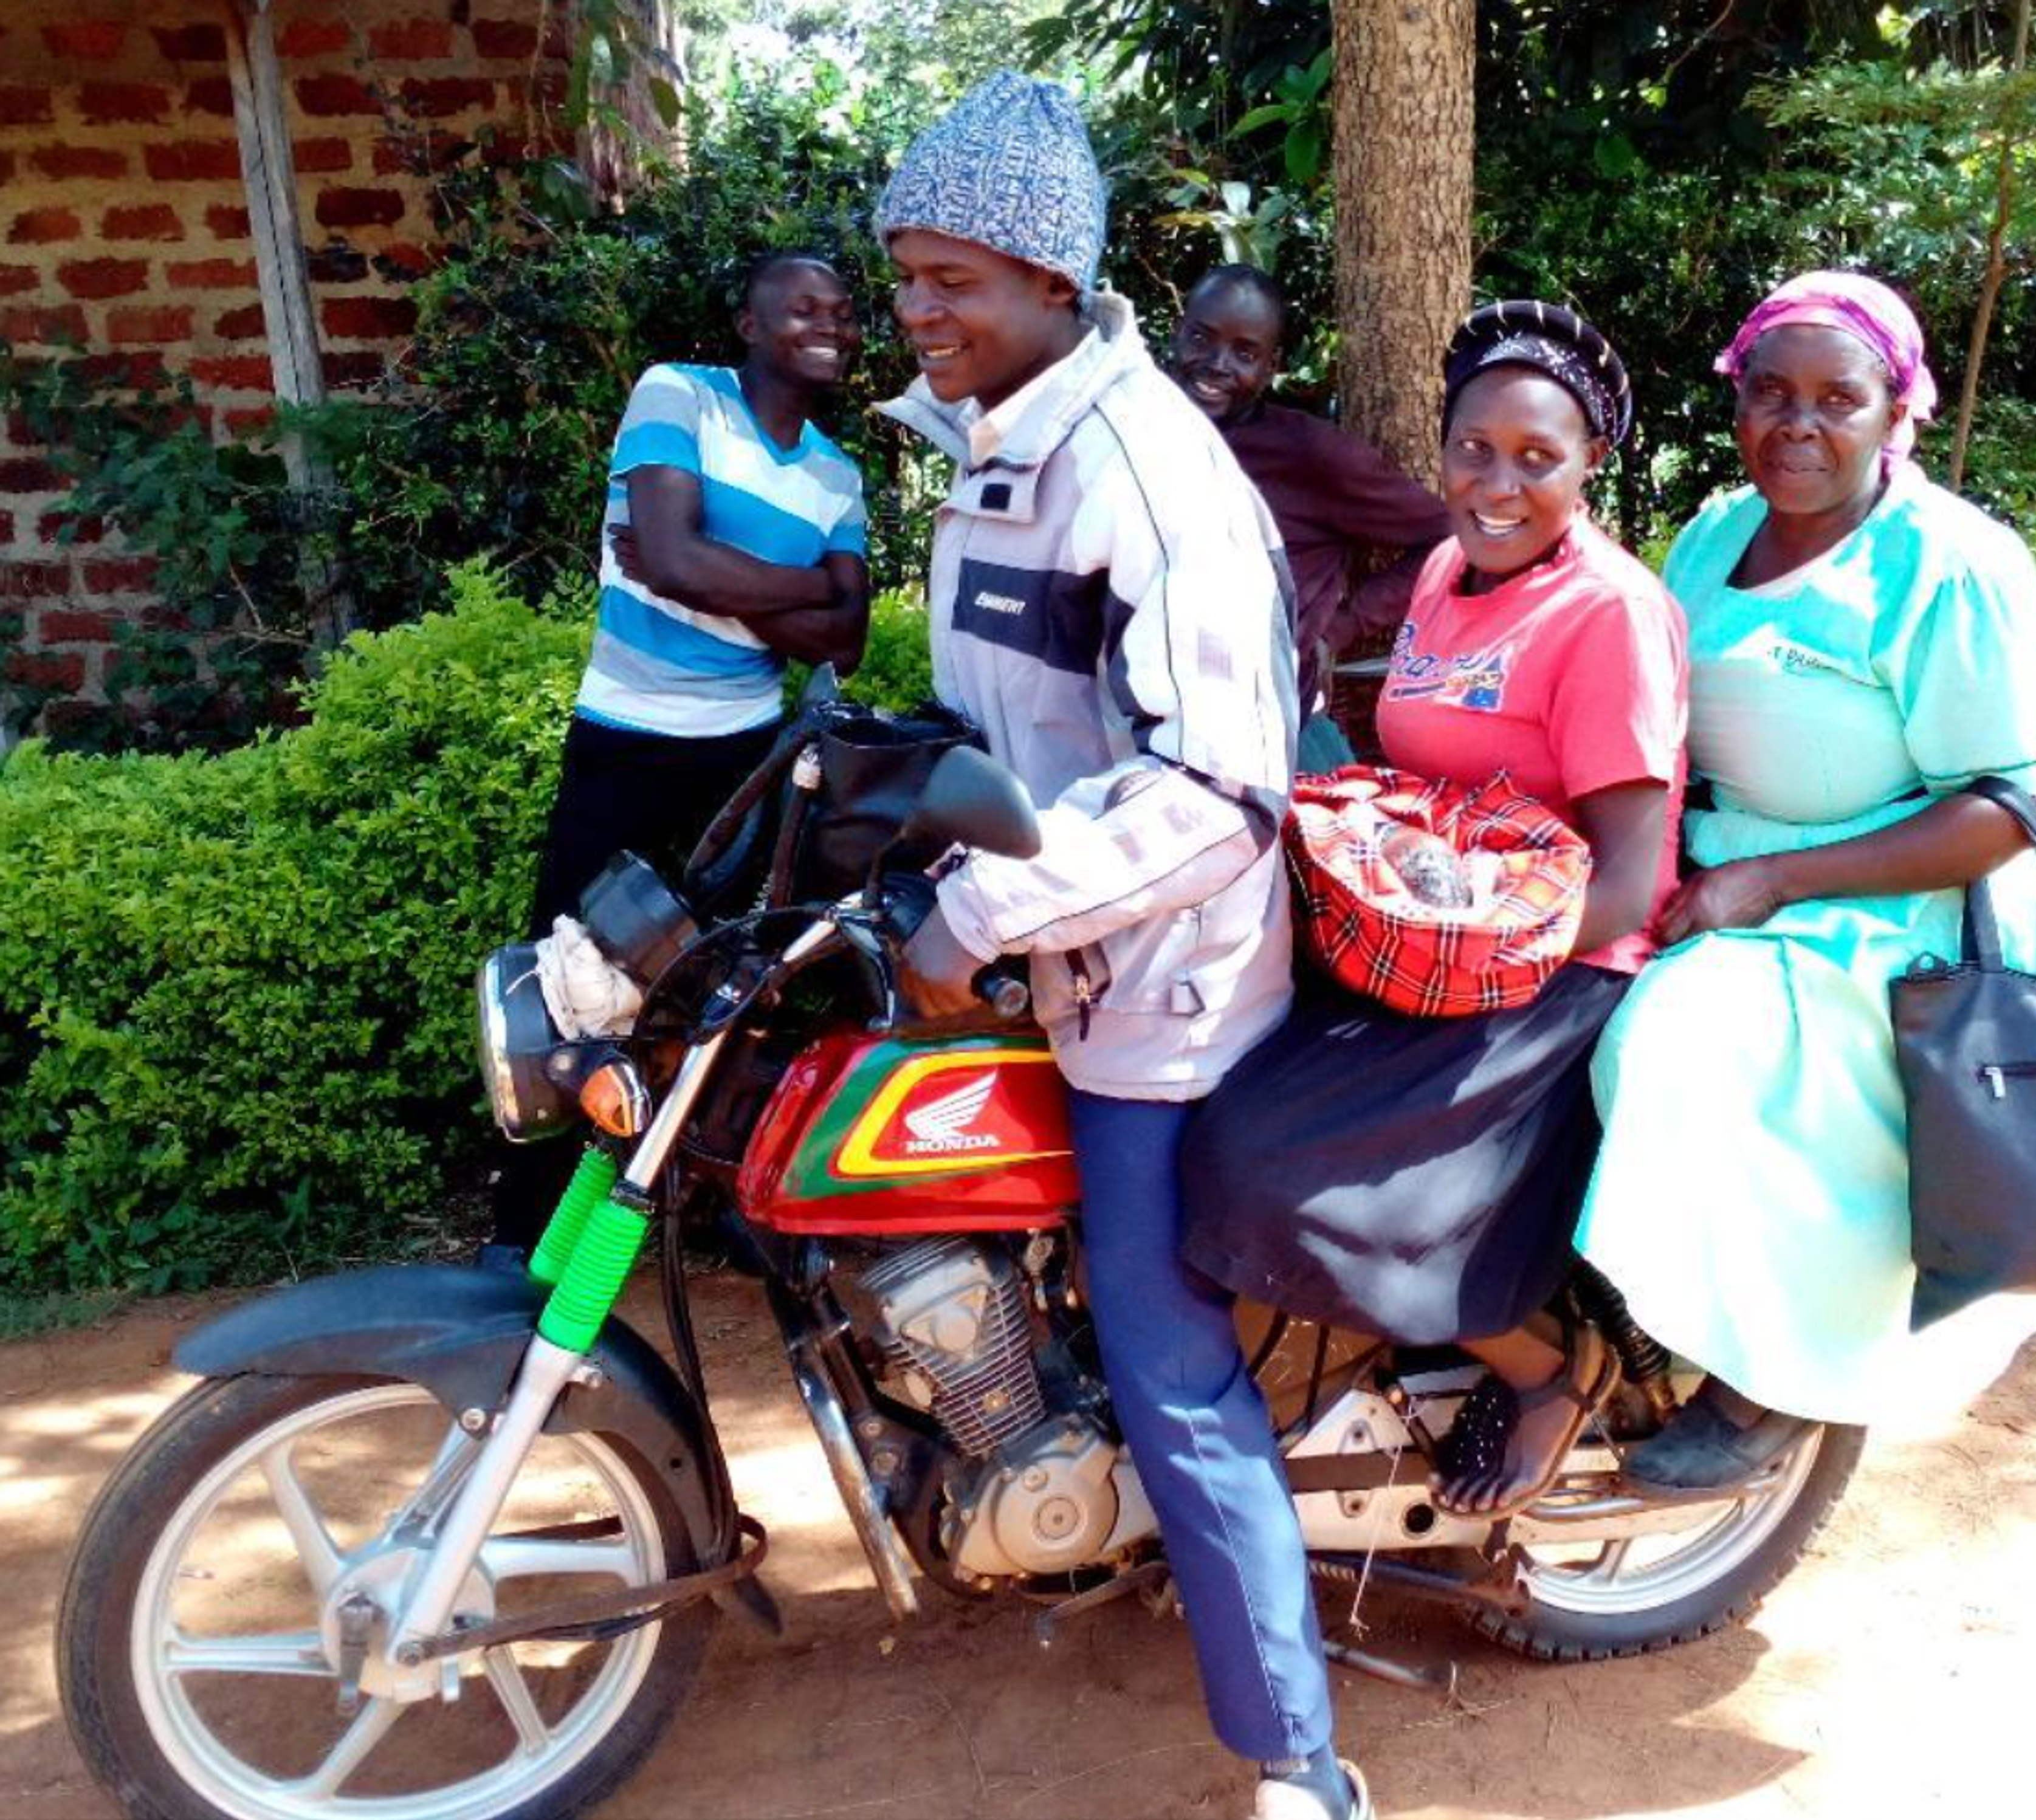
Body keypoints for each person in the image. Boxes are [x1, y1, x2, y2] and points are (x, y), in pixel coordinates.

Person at [875, 74, 1367, 1820]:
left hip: (1159, 988)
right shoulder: (998, 440)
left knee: (1170, 1362)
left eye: (953, 278)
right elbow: (999, 713)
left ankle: (1298, 1760)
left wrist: (979, 912)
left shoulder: (1148, 472)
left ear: (1051, 279)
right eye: (908, 277)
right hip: (1051, 950)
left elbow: (1217, 793)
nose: (919, 309)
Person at [1181, 301, 1688, 1520]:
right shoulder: (1446, 574)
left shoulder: (1609, 613)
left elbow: (1632, 873)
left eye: (1536, 458)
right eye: (1473, 449)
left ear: (1589, 466)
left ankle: (1546, 1368)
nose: (1496, 482)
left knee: (1266, 1168)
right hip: (1426, 938)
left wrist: (1469, 969)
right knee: (1201, 1096)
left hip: (1556, 968)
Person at [1575, 270, 2036, 1491]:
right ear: (1736, 402)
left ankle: (1771, 1388)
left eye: (1838, 398)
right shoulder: (1709, 535)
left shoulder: (1954, 561)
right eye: (1771, 392)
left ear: (1896, 410)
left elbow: (2012, 808)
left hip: (1890, 910)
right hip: (1720, 875)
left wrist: (1780, 882)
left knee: (1680, 1043)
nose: (1799, 422)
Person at [484, 251, 870, 1257]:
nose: (827, 321)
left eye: (843, 309)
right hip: (624, 743)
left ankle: (690, 1208)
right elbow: (671, 553)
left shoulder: (838, 475)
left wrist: (695, 572)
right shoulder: (678, 396)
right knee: (565, 982)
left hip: (742, 763)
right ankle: (522, 1227)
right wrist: (788, 591)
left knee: (712, 989)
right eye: (803, 305)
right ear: (747, 319)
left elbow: (846, 639)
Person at [1168, 264, 1447, 730]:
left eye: (1244, 353)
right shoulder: (1137, 427)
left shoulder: (1309, 453)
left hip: (1262, 723)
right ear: (1178, 333)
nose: (1217, 364)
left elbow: (1448, 536)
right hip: (1138, 706)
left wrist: (1342, 626)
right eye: (1201, 339)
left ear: (1271, 367)